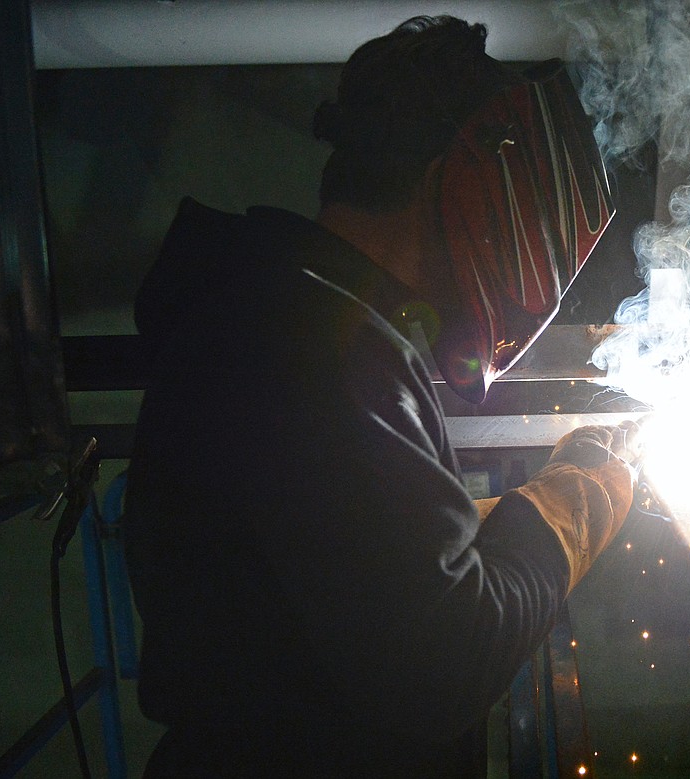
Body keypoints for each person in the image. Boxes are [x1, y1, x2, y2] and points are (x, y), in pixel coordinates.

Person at [124, 15, 636, 777]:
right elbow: (441, 663)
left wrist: (507, 516)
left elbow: (363, 567)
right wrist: (578, 498)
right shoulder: (310, 347)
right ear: (467, 176)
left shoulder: (278, 321)